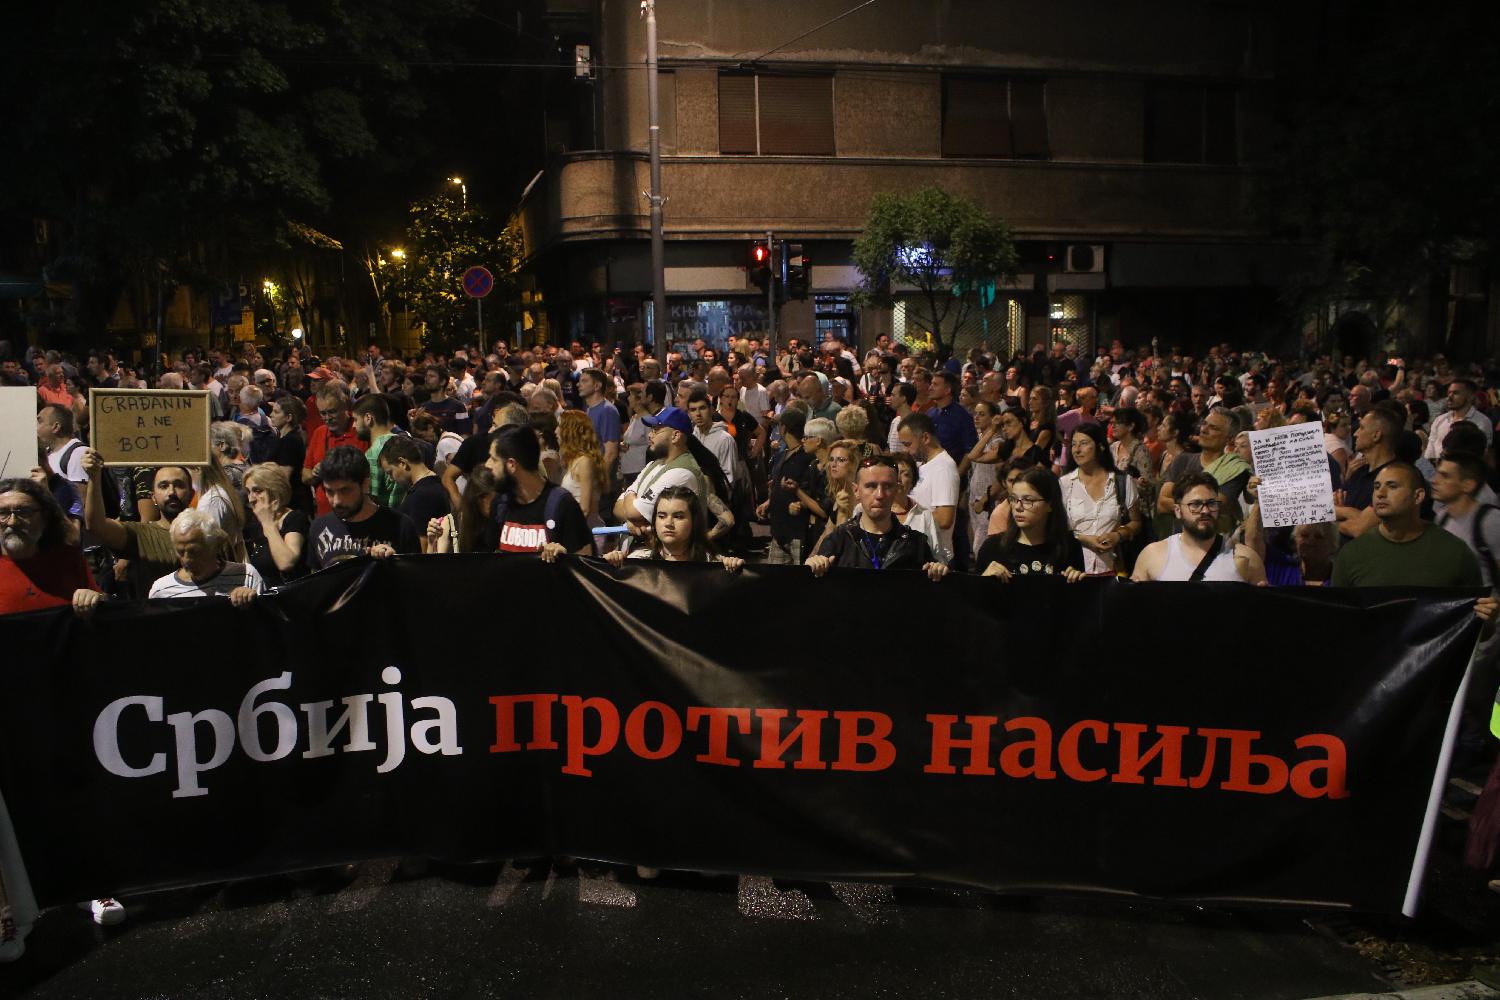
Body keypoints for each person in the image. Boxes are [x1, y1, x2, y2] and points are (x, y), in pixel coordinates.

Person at [1333, 462, 1488, 589]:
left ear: (1418, 496)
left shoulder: (1455, 552)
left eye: (1392, 486)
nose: (1380, 493)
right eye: (1377, 486)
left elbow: (1472, 618)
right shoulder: (1351, 554)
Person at [806, 455, 948, 581]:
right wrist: (812, 568)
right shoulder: (839, 540)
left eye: (887, 486)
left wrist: (938, 573)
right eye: (871, 486)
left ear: (896, 489)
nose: (880, 495)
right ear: (856, 491)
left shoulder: (916, 543)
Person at [82, 452, 194, 599]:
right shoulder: (141, 534)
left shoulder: (207, 533)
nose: (171, 492)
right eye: (164, 486)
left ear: (191, 494)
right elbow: (96, 525)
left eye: (179, 485)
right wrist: (94, 477)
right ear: (153, 496)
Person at [615, 406, 733, 545]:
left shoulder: (681, 473)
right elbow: (617, 508)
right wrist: (632, 509)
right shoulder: (655, 464)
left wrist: (630, 492)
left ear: (676, 435)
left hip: (667, 559)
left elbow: (633, 512)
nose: (650, 435)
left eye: (656, 429)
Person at [1132, 472, 1266, 583]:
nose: (1205, 511)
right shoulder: (1153, 556)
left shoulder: (1247, 558)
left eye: (1211, 503)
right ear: (1178, 510)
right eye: (1195, 504)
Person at [487, 424, 594, 560]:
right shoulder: (500, 504)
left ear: (512, 465)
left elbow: (586, 564)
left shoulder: (563, 504)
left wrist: (565, 558)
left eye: (493, 459)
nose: (487, 465)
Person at [307, 445, 421, 570]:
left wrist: (395, 562)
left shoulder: (401, 526)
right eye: (329, 491)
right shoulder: (319, 527)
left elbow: (415, 583)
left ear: (365, 484)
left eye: (345, 490)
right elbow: (316, 582)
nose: (336, 501)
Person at [0, 477, 98, 615]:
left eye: (23, 512)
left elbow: (99, 616)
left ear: (44, 517)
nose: (13, 522)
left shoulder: (68, 561)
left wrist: (93, 600)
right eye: (3, 513)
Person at [973, 467, 1086, 582]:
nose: (1018, 507)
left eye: (1028, 500)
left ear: (1050, 504)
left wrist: (1077, 584)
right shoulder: (993, 548)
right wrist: (983, 582)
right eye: (1013, 499)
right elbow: (972, 598)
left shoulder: (1069, 548)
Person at [1060, 422, 1143, 576]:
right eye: (1073, 445)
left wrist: (1118, 535)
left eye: (1083, 443)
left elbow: (1136, 522)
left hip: (1114, 569)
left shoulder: (1122, 482)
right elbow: (1058, 528)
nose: (1077, 450)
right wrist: (1084, 539)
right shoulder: (1064, 484)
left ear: (1101, 446)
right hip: (1074, 571)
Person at [603, 485, 744, 571]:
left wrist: (734, 568)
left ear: (694, 521)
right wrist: (610, 565)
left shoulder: (713, 563)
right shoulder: (637, 561)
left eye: (678, 516)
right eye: (662, 516)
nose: (668, 523)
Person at [147, 509, 263, 604]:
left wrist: (251, 603)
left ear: (215, 546)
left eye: (194, 552)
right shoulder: (162, 591)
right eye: (181, 552)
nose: (187, 560)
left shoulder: (247, 576)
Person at [898, 412, 959, 562]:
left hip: (933, 556)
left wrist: (903, 517)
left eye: (908, 444)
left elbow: (945, 518)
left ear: (925, 438)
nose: (905, 450)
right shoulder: (922, 464)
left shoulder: (944, 468)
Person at [377, 436, 451, 554]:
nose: (391, 479)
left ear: (402, 463)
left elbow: (420, 548)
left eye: (390, 472)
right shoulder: (433, 485)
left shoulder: (423, 496)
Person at [303, 384, 367, 518]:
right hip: (325, 516)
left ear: (346, 407)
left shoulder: (362, 432)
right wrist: (315, 473)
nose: (327, 418)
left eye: (332, 411)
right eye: (323, 413)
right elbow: (305, 475)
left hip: (358, 516)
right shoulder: (319, 433)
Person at [242, 464, 309, 587]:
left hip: (292, 597)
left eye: (257, 490)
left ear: (275, 490)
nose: (251, 498)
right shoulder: (252, 524)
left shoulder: (294, 518)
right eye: (248, 492)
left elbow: (286, 563)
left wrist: (268, 523)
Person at [558, 409, 607, 538]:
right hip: (577, 531)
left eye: (559, 426)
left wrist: (563, 529)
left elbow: (585, 508)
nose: (555, 431)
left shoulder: (584, 462)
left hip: (586, 534)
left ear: (570, 431)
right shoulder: (575, 461)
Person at [352, 394, 402, 510]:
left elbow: (372, 502)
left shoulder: (373, 454)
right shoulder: (402, 441)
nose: (353, 426)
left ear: (368, 418)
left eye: (355, 419)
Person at [578, 367, 621, 478]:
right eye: (579, 381)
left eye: (584, 381)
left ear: (597, 386)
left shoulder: (607, 410)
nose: (579, 385)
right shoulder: (589, 409)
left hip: (599, 480)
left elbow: (611, 453)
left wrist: (600, 481)